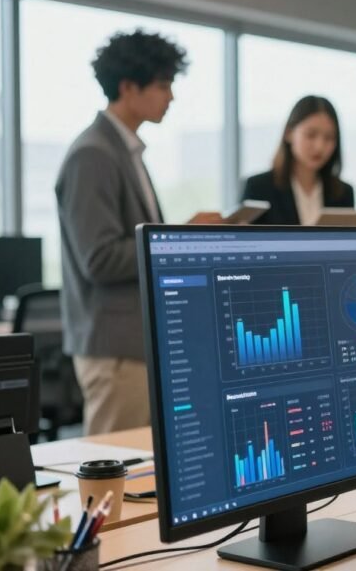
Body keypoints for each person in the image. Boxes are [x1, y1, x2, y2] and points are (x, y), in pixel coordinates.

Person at [56, 29, 220, 435]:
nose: (172, 97)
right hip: (115, 349)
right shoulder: (93, 154)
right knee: (113, 476)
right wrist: (180, 235)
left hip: (134, 344)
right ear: (128, 87)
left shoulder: (124, 150)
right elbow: (99, 258)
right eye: (163, 86)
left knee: (141, 475)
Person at [242, 96, 355, 224]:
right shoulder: (258, 188)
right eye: (311, 135)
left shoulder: (343, 192)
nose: (320, 146)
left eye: (329, 138)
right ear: (289, 133)